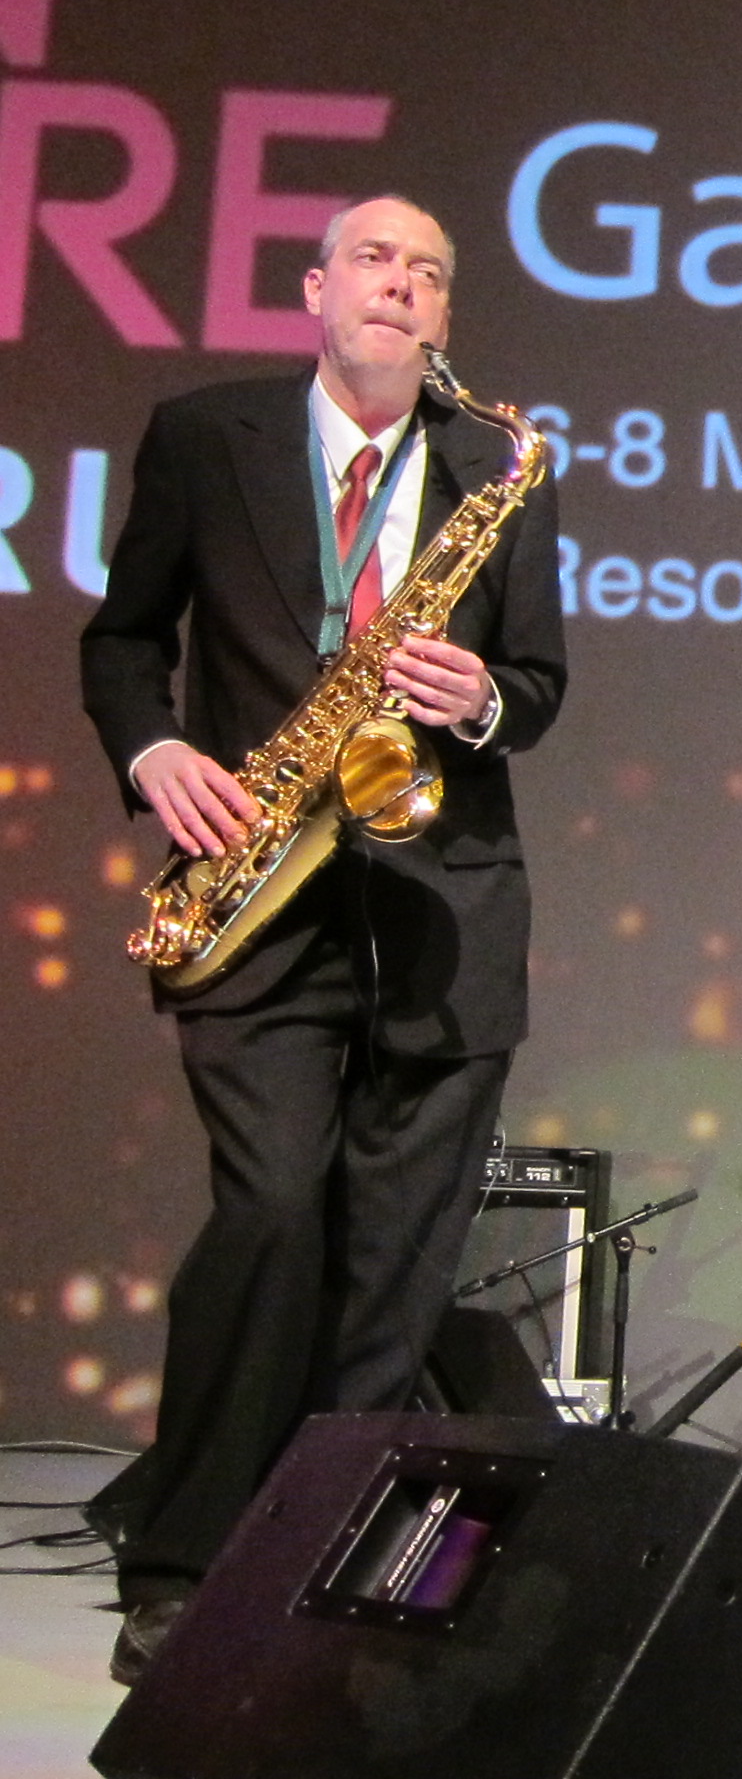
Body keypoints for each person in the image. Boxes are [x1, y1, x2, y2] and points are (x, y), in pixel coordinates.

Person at [78, 196, 569, 1683]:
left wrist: (478, 697)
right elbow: (122, 640)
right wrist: (155, 751)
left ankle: (324, 1573)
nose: (401, 285)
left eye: (430, 273)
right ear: (313, 289)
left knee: (393, 1276)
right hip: (252, 894)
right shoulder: (204, 436)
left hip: (441, 911)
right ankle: (182, 1564)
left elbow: (539, 685)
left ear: (445, 317)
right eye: (374, 259)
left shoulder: (498, 464)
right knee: (273, 1216)